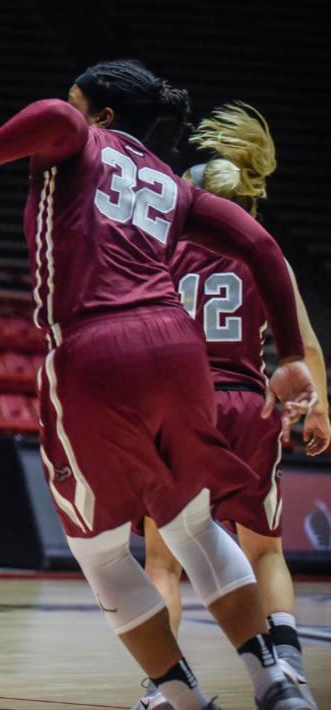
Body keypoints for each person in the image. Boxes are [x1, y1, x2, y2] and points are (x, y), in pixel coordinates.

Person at [0, 59, 316, 709]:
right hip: (179, 351)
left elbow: (51, 115)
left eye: (78, 101)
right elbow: (264, 249)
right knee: (194, 527)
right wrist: (292, 355)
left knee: (101, 553)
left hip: (95, 345)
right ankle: (274, 682)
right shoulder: (173, 186)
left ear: (101, 116)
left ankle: (184, 702)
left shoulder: (79, 140)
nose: (67, 109)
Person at [135, 103, 329, 710]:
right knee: (264, 549)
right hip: (248, 407)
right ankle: (288, 670)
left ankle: (162, 691)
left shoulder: (162, 252)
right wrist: (320, 410)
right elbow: (307, 348)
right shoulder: (266, 255)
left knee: (164, 565)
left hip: (181, 408)